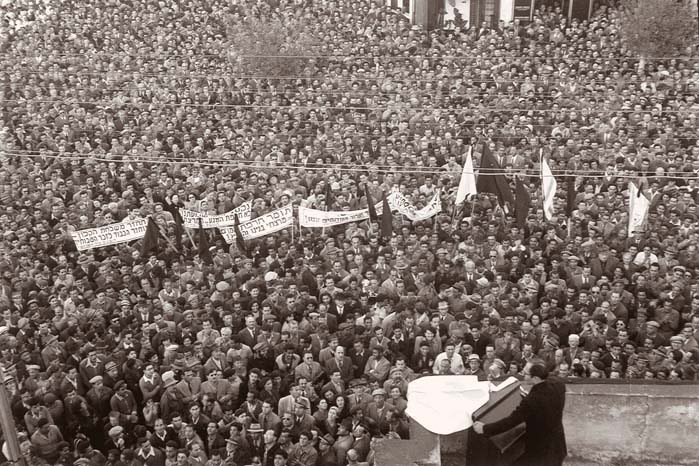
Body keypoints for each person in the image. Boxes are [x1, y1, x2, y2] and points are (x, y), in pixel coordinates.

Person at [473, 363, 567, 466]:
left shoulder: (531, 400)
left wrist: (485, 428)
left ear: (535, 378)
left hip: (540, 452)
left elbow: (511, 421)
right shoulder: (559, 385)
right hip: (558, 446)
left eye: (526, 373)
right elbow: (546, 398)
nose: (523, 375)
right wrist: (531, 395)